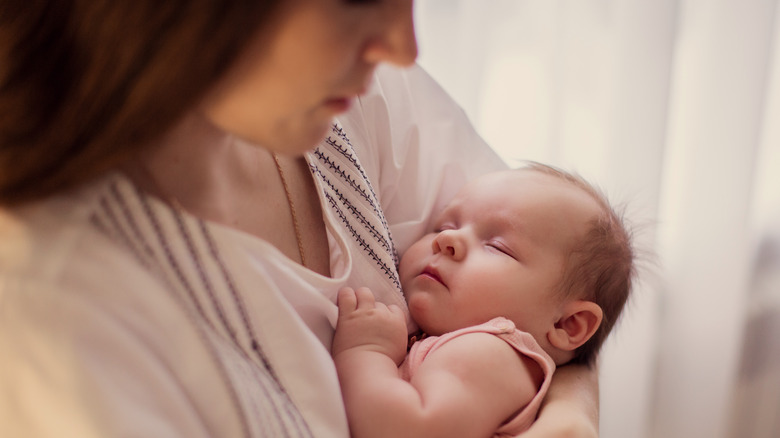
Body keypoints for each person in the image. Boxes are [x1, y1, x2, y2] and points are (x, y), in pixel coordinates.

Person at [0, 1, 598, 437]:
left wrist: (571, 412)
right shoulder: (57, 313)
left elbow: (566, 278)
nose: (402, 47)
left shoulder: (352, 95)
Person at [333, 163, 634, 438]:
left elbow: (407, 430)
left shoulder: (493, 352)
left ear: (568, 324)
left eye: (497, 247)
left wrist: (367, 352)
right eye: (445, 226)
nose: (446, 241)